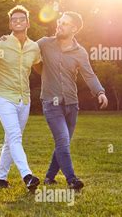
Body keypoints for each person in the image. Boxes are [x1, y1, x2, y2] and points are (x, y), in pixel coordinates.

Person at [37, 11, 108, 190]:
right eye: (59, 21)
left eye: (65, 23)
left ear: (74, 28)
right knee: (62, 139)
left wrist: (100, 92)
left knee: (64, 142)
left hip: (72, 104)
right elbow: (27, 53)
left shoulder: (80, 52)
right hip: (51, 102)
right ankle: (71, 179)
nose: (59, 25)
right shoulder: (44, 44)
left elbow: (89, 75)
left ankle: (49, 177)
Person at [0, 5, 41, 192]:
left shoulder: (34, 47)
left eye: (21, 18)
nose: (17, 21)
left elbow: (40, 67)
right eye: (14, 19)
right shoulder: (0, 44)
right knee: (15, 136)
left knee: (11, 139)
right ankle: (27, 175)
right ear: (10, 23)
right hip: (3, 97)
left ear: (27, 22)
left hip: (24, 99)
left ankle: (1, 178)